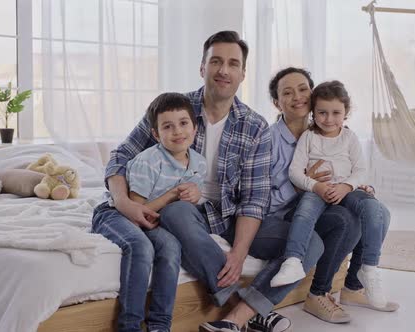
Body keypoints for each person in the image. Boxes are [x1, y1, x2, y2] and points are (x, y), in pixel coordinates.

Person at [104, 31, 320, 332]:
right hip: (185, 209)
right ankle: (247, 310)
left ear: (243, 74)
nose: (223, 70)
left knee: (311, 242)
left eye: (233, 63)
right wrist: (122, 201)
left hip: (230, 214)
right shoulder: (173, 109)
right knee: (176, 209)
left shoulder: (254, 125)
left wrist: (239, 252)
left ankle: (239, 317)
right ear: (202, 67)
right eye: (216, 61)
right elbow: (121, 154)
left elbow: (255, 200)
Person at [272, 77, 399, 314]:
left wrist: (349, 186)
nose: (328, 119)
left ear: (346, 112)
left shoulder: (349, 138)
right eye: (322, 113)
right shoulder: (308, 137)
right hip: (317, 191)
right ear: (313, 112)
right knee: (306, 211)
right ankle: (293, 261)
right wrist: (315, 186)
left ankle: (367, 271)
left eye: (335, 113)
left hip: (344, 189)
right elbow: (294, 172)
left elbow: (360, 169)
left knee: (378, 211)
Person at [92, 92, 206, 332]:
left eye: (184, 123)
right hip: (117, 213)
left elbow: (193, 199)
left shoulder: (198, 163)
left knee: (172, 247)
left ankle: (159, 325)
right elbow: (136, 211)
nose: (178, 131)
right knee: (140, 246)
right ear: (156, 134)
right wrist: (172, 195)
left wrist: (195, 193)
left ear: (195, 128)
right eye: (168, 126)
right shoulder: (149, 162)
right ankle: (130, 325)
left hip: (151, 220)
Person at [267, 67, 361, 324]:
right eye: (287, 92)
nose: (297, 96)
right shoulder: (269, 140)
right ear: (277, 102)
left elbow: (348, 165)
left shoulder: (324, 131)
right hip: (280, 215)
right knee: (342, 220)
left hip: (315, 206)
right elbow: (260, 198)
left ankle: (332, 289)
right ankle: (318, 290)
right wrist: (302, 185)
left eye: (303, 89)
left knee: (354, 214)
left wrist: (352, 184)